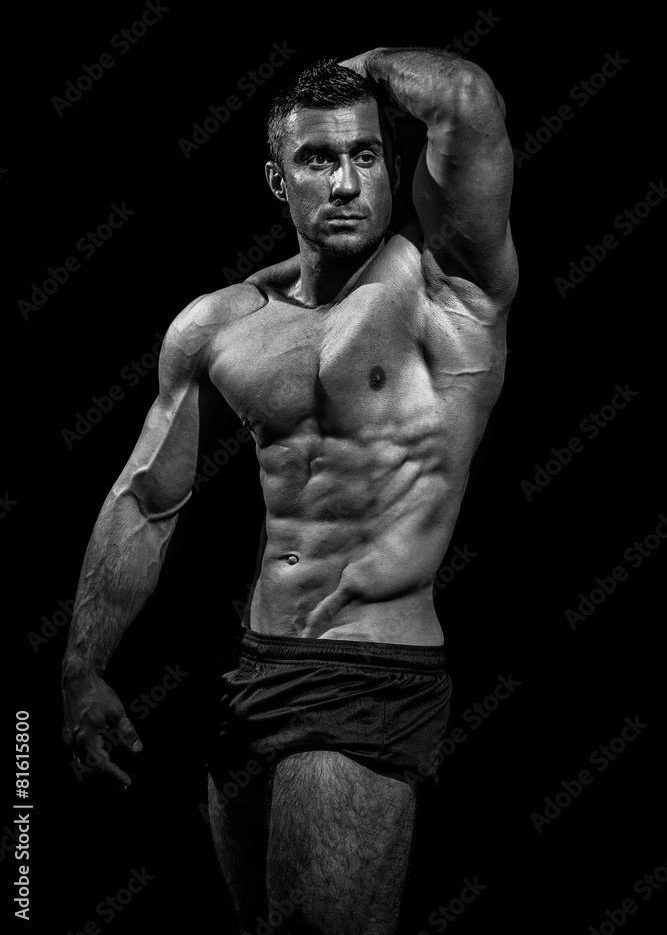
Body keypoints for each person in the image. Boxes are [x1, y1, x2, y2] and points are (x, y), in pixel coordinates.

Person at [62, 47, 517, 935]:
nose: (345, 182)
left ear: (392, 165)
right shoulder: (221, 323)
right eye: (316, 159)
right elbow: (146, 500)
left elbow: (465, 95)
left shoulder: (449, 286)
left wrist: (350, 70)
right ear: (277, 179)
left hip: (366, 674)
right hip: (254, 667)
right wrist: (82, 665)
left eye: (364, 155)